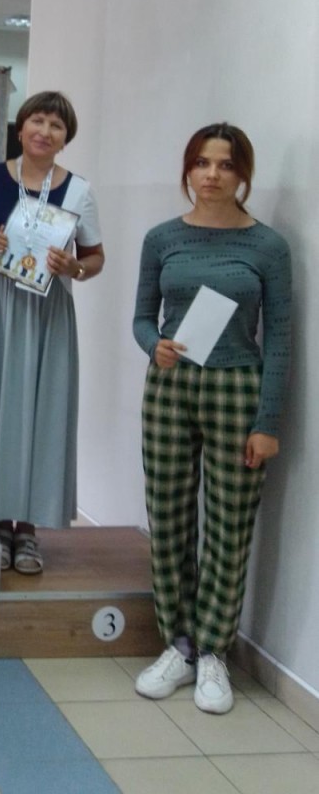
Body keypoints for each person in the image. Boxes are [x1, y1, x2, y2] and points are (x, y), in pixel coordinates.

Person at [132, 123, 291, 715]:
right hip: (170, 387)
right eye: (202, 162)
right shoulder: (161, 238)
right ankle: (178, 644)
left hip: (237, 390)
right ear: (188, 169)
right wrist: (153, 345)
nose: (212, 174)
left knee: (230, 525)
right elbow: (142, 317)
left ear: (242, 173)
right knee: (169, 516)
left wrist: (267, 422)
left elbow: (280, 337)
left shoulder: (268, 245)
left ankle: (214, 650)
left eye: (225, 164)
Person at [0, 92, 105, 574]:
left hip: (46, 311)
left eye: (56, 125)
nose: (45, 131)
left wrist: (74, 267)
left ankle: (28, 528)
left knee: (40, 410)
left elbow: (95, 257)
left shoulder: (79, 191)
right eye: (37, 120)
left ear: (65, 138)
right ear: (21, 127)